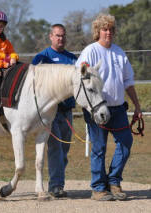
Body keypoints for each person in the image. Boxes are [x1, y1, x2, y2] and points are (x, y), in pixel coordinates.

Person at [75, 14, 142, 201]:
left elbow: (128, 82)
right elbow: (81, 76)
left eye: (111, 30)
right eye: (105, 29)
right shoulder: (90, 51)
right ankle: (98, 188)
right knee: (99, 147)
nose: (108, 33)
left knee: (126, 143)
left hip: (118, 108)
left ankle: (114, 181)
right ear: (98, 31)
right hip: (97, 109)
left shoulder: (119, 52)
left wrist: (137, 106)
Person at [32, 24, 77, 198]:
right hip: (51, 113)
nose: (61, 39)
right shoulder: (42, 57)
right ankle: (55, 185)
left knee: (64, 149)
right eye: (57, 35)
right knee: (55, 148)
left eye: (63, 36)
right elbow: (34, 83)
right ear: (51, 36)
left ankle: (57, 182)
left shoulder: (72, 59)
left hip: (68, 111)